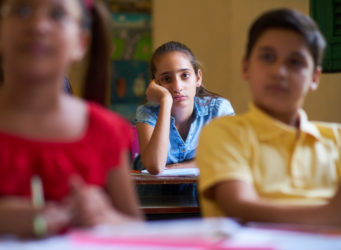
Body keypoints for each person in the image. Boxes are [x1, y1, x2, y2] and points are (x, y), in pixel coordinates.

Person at [0, 0, 142, 238]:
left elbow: (137, 230)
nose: (38, 25)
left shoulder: (104, 130)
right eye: (22, 10)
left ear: (81, 43)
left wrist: (105, 216)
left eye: (57, 15)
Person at [196, 8, 341, 227]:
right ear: (246, 67)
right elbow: (239, 206)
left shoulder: (336, 139)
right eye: (267, 57)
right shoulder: (224, 132)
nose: (279, 71)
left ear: (314, 78)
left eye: (295, 62)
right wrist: (328, 214)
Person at [135, 41, 234, 174]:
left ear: (198, 78)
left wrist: (180, 166)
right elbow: (155, 166)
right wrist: (165, 100)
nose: (177, 87)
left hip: (201, 192)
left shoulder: (218, 109)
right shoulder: (147, 113)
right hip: (156, 194)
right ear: (156, 84)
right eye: (166, 79)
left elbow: (228, 158)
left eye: (185, 75)